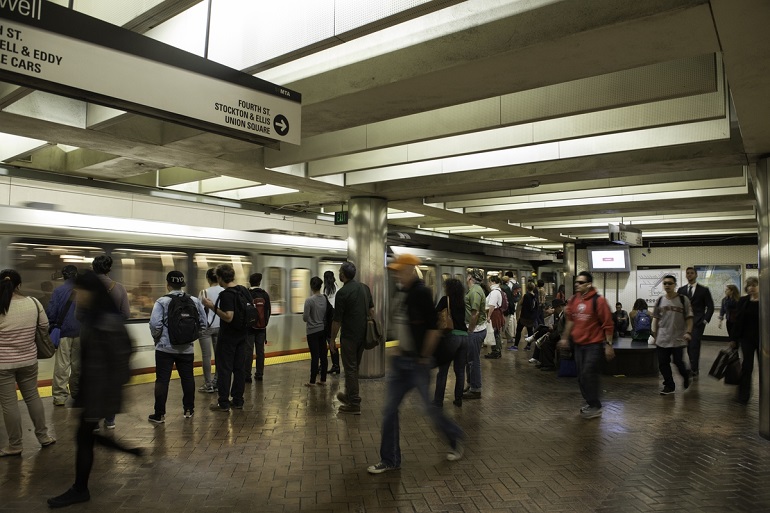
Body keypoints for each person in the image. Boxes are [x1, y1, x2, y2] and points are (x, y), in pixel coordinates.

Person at [47, 271, 139, 508]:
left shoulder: (106, 322)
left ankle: (80, 488)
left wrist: (101, 392)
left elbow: (122, 359)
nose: (77, 296)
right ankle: (129, 452)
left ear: (91, 292)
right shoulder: (94, 317)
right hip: (94, 390)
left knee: (84, 436)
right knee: (85, 435)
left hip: (100, 391)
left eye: (80, 291)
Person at [367, 254, 464, 474]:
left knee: (428, 408)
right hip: (402, 361)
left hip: (417, 363)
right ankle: (390, 459)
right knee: (389, 409)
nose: (397, 274)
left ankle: (454, 435)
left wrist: (424, 357)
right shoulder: (402, 292)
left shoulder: (422, 293)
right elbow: (405, 325)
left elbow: (432, 328)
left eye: (400, 270)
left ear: (411, 269)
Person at [0, 269, 56, 457]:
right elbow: (44, 326)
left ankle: (15, 445)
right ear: (19, 285)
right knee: (32, 397)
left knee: (9, 404)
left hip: (3, 365)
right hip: (28, 360)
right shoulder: (33, 303)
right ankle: (44, 437)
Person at [148, 271, 206, 422]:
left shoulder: (162, 301)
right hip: (187, 349)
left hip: (164, 348)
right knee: (187, 379)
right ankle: (188, 410)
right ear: (182, 285)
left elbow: (155, 324)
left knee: (162, 380)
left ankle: (159, 414)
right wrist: (191, 337)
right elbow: (203, 324)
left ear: (167, 285)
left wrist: (157, 338)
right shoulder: (194, 300)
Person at [558, 271, 614, 419]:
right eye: (576, 282)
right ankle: (590, 403)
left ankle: (596, 405)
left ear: (589, 284)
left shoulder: (598, 301)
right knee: (581, 376)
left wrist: (608, 345)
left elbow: (608, 324)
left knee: (589, 373)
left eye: (581, 282)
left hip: (593, 345)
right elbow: (570, 320)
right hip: (578, 344)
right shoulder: (574, 300)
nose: (577, 285)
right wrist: (565, 338)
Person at [201, 264, 250, 412]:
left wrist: (211, 306)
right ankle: (238, 400)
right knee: (239, 369)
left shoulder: (227, 294)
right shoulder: (243, 290)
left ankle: (223, 402)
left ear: (221, 278)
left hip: (229, 337)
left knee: (225, 369)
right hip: (243, 335)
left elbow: (228, 317)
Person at [330, 262, 374, 414]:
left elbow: (337, 321)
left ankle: (354, 402)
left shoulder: (342, 293)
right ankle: (349, 396)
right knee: (354, 368)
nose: (339, 274)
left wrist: (332, 340)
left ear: (343, 274)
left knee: (350, 369)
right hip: (362, 336)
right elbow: (371, 311)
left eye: (339, 271)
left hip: (349, 336)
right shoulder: (365, 288)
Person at [92, 254, 130, 429]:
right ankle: (110, 419)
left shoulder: (87, 288)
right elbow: (126, 314)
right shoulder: (119, 288)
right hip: (114, 340)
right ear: (109, 269)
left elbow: (79, 315)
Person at [651, 275, 693, 395]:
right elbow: (656, 319)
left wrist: (688, 332)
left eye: (670, 283)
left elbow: (689, 318)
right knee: (663, 364)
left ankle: (686, 376)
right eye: (665, 283)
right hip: (662, 338)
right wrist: (655, 335)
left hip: (678, 338)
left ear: (675, 285)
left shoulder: (683, 300)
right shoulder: (660, 300)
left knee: (678, 362)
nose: (667, 285)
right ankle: (669, 385)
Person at [47, 264, 81, 406]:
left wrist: (52, 325)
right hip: (81, 333)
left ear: (64, 276)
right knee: (78, 365)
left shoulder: (58, 291)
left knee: (62, 365)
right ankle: (77, 392)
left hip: (63, 333)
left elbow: (51, 312)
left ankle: (60, 397)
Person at [433, 278, 468, 408]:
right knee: (460, 371)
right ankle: (458, 399)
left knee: (443, 371)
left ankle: (438, 401)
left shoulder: (445, 300)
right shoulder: (462, 302)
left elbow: (436, 313)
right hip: (464, 337)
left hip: (451, 337)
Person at [677, 267, 714, 378]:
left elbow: (710, 307)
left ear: (696, 275)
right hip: (684, 322)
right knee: (688, 346)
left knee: (694, 345)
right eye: (687, 273)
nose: (689, 275)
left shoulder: (703, 290)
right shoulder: (681, 290)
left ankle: (694, 369)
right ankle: (692, 366)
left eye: (692, 273)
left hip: (698, 322)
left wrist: (705, 320)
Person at [732, 277, 759, 404]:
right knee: (747, 367)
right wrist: (734, 339)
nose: (751, 288)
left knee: (765, 368)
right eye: (749, 285)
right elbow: (737, 321)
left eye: (754, 285)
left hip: (763, 339)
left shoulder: (766, 300)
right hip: (747, 338)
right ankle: (743, 395)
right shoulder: (743, 301)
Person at [462, 268, 487, 400]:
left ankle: (476, 389)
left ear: (471, 278)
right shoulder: (474, 290)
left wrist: (470, 330)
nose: (466, 277)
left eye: (468, 275)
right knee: (469, 359)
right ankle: (471, 384)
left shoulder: (475, 291)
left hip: (475, 330)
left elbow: (475, 313)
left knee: (473, 360)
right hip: (475, 329)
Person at [198, 268, 223, 393]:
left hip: (206, 328)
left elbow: (200, 311)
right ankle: (217, 382)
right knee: (219, 356)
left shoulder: (204, 292)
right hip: (220, 327)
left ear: (208, 279)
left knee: (206, 356)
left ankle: (208, 385)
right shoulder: (224, 291)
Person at [244, 273, 271, 383]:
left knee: (248, 351)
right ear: (259, 282)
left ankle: (247, 375)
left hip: (249, 328)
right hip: (261, 328)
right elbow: (268, 311)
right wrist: (264, 323)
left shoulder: (247, 294)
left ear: (250, 282)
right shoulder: (264, 295)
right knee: (260, 351)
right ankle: (259, 374)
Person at [302, 276, 327, 386]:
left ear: (311, 286)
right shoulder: (324, 299)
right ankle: (323, 379)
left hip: (312, 331)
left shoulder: (309, 300)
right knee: (323, 355)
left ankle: (312, 381)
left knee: (315, 356)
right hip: (322, 330)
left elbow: (305, 318)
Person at [534, 299, 566, 371]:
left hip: (561, 336)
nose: (555, 310)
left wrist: (551, 334)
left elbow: (562, 328)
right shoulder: (560, 314)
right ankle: (544, 362)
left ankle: (548, 364)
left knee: (546, 343)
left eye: (555, 308)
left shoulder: (564, 314)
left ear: (560, 307)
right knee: (544, 337)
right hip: (559, 334)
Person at [484, 275, 505, 359]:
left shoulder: (494, 292)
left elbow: (492, 305)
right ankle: (497, 351)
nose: (488, 283)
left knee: (494, 333)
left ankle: (495, 351)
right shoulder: (498, 291)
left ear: (493, 282)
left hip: (494, 314)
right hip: (497, 313)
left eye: (489, 282)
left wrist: (488, 316)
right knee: (496, 333)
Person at [323, 270, 341, 374]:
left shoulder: (329, 289)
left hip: (330, 318)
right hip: (332, 317)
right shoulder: (335, 287)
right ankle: (335, 365)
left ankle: (336, 365)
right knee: (331, 340)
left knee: (330, 340)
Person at [510, 282, 536, 350]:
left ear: (527, 288)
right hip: (531, 317)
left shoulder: (526, 296)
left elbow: (520, 303)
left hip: (524, 317)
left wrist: (518, 315)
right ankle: (528, 346)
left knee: (518, 331)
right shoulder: (535, 296)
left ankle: (515, 346)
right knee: (530, 331)